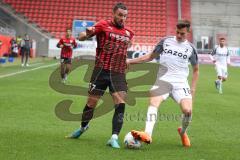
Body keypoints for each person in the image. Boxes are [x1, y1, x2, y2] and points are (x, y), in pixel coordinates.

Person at [66, 2, 134, 149]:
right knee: (91, 103)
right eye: (120, 15)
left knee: (120, 103)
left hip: (118, 73)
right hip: (100, 71)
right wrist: (84, 34)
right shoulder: (103, 24)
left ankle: (114, 137)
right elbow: (84, 36)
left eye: (125, 16)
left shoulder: (129, 32)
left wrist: (125, 59)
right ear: (114, 14)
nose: (123, 18)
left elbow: (127, 46)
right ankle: (83, 128)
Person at [127, 20, 199, 147]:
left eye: (182, 33)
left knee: (187, 111)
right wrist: (130, 61)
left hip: (181, 83)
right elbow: (150, 57)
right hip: (163, 80)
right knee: (154, 102)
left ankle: (182, 132)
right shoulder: (165, 41)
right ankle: (147, 134)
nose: (178, 35)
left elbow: (196, 70)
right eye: (177, 32)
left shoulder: (191, 49)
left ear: (188, 32)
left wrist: (193, 88)